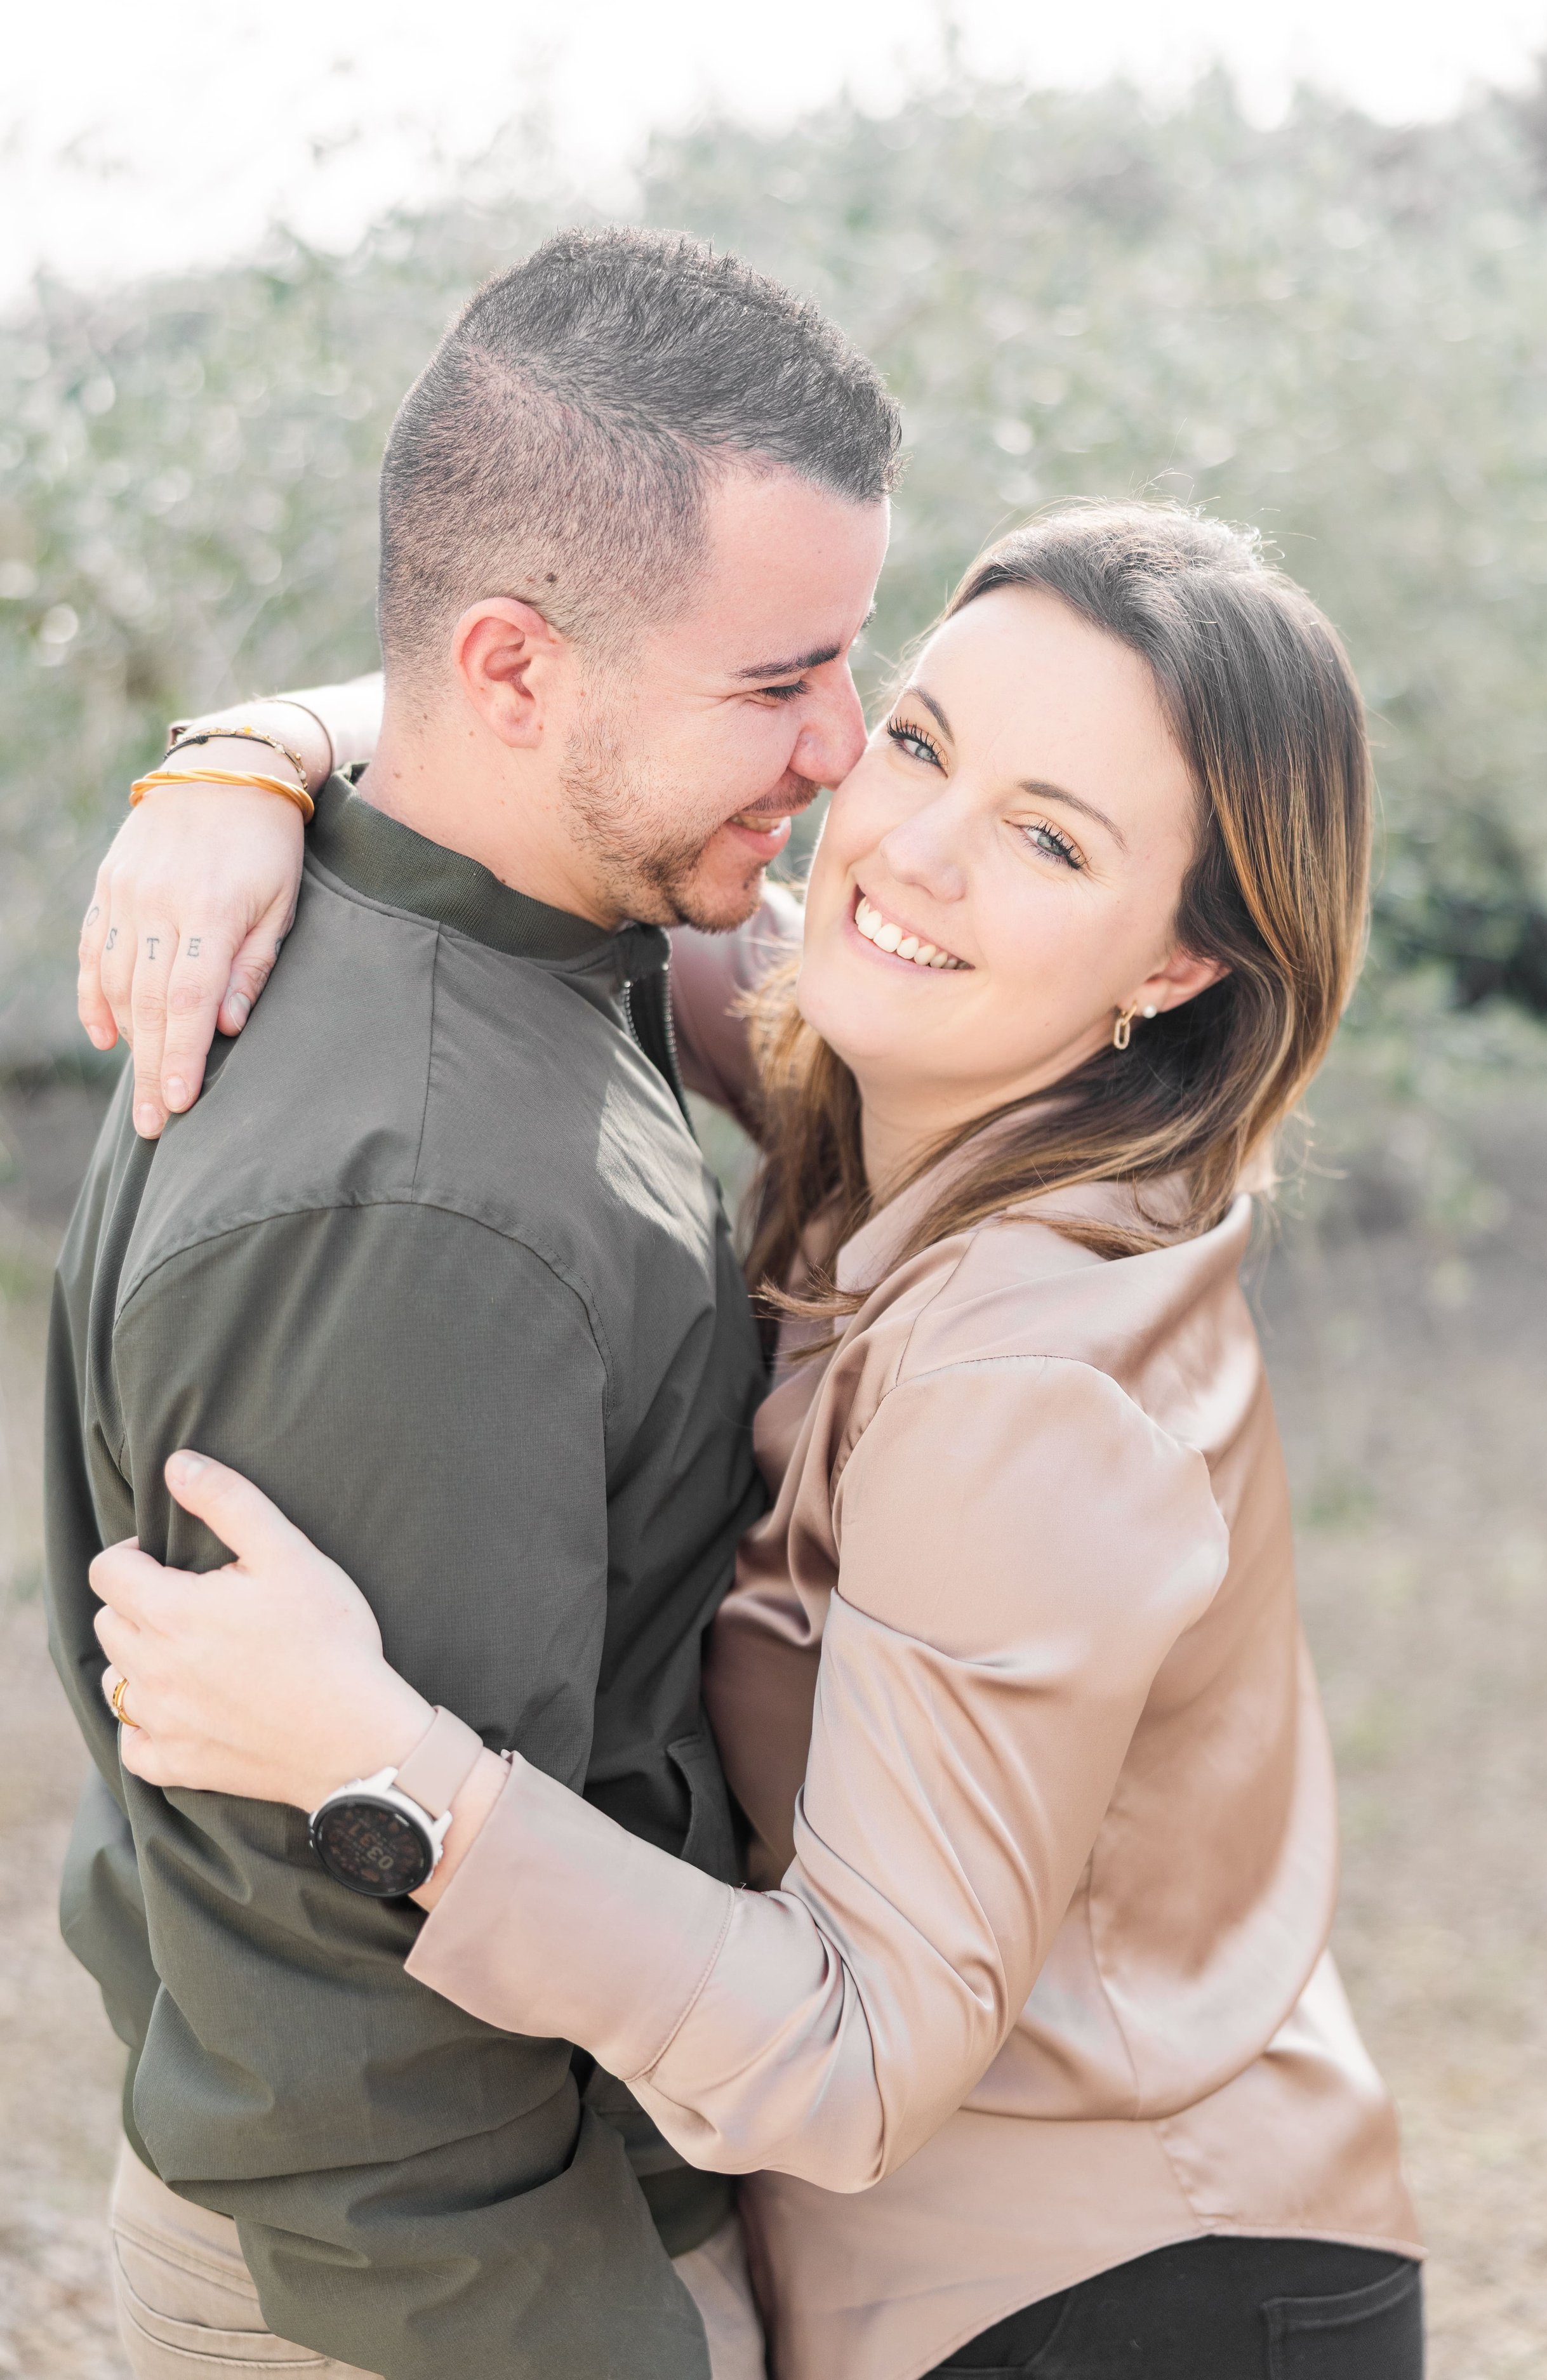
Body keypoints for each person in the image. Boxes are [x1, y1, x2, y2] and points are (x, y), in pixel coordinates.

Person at [84, 501, 1425, 2380]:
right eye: (921, 741)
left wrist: (381, 1766)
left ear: (1180, 968)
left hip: (1127, 2300)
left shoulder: (1019, 1389)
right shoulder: (886, 1055)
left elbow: (863, 2058)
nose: (915, 853)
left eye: (1049, 838)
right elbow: (530, 770)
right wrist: (243, 762)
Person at [46, 225, 899, 2380]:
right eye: (778, 680)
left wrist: (240, 749)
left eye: (849, 659)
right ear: (515, 673)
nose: (842, 747)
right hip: (452, 2298)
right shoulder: (424, 1205)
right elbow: (347, 1998)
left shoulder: (533, 902)